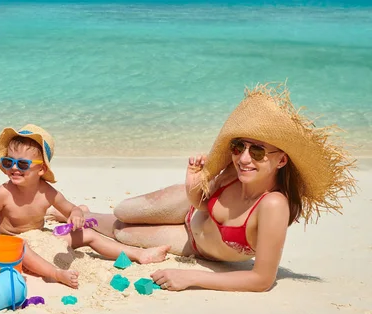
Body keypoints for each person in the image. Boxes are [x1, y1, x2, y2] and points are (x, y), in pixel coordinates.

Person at [52, 84, 355, 292]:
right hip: (190, 210)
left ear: (281, 160)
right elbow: (198, 202)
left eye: (258, 151)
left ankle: (83, 218)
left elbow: (262, 279)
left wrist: (191, 278)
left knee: (122, 231)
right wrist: (192, 180)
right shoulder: (234, 173)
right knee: (123, 212)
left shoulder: (273, 205)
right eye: (239, 146)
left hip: (192, 243)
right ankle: (79, 213)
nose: (244, 158)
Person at [0, 125, 170, 289]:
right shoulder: (3, 193)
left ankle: (139, 254)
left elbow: (71, 208)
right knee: (23, 247)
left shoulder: (46, 192)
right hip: (14, 244)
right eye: (9, 161)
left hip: (42, 238)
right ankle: (55, 273)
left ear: (41, 169)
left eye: (22, 164)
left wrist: (76, 215)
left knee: (88, 234)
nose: (14, 167)